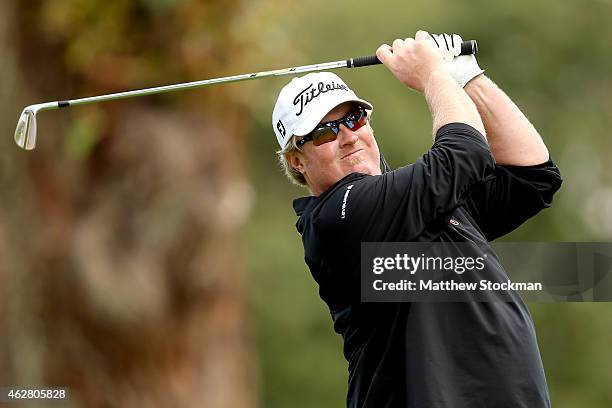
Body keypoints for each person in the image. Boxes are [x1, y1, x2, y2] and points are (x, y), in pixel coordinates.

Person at [271, 30, 562, 407]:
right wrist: (431, 76)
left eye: (355, 118)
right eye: (325, 132)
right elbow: (465, 153)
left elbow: (532, 175)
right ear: (297, 160)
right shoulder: (337, 217)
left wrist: (466, 76)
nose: (348, 137)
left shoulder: (420, 198)